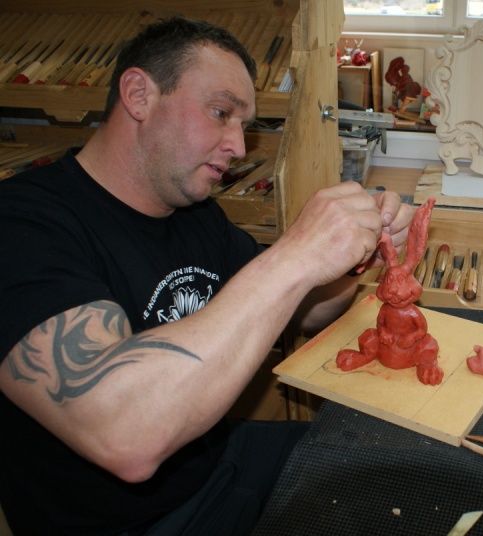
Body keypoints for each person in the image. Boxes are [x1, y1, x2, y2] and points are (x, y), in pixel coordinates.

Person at [0, 16, 413, 536]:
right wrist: (296, 256)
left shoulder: (194, 213)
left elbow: (308, 313)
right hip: (129, 522)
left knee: (402, 458)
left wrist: (354, 259)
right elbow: (125, 436)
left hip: (214, 463)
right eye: (221, 113)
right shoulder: (22, 224)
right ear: (139, 95)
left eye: (244, 125)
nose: (238, 146)